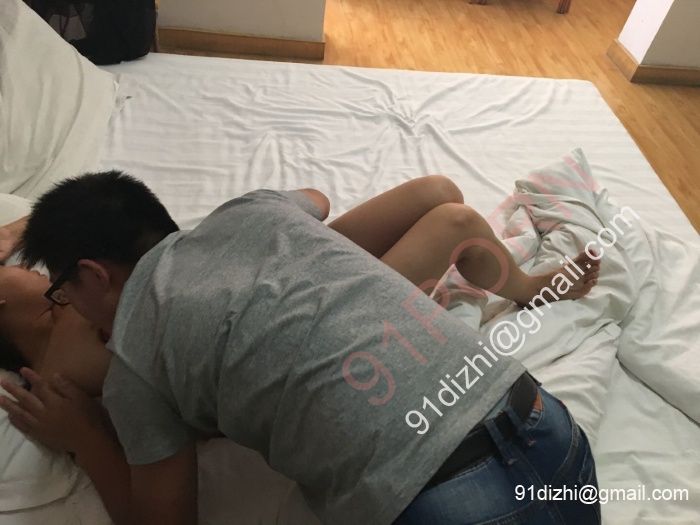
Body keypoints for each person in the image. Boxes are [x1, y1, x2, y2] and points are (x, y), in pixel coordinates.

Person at [0, 173, 600, 525]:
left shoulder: (133, 359)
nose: (66, 303)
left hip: (444, 500)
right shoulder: (252, 208)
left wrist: (85, 438)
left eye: (61, 289)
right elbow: (315, 199)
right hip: (548, 432)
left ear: (93, 274)